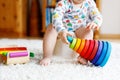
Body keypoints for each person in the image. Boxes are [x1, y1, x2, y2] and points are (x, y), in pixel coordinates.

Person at [40, 0, 103, 66]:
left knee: (89, 31)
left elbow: (97, 15)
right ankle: (47, 56)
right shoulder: (63, 3)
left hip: (80, 28)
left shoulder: (89, 3)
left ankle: (83, 56)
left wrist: (95, 23)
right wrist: (61, 30)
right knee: (51, 27)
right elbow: (56, 17)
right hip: (62, 29)